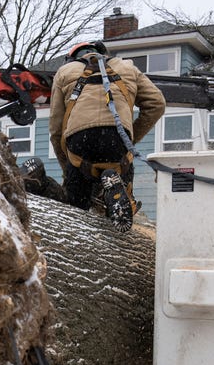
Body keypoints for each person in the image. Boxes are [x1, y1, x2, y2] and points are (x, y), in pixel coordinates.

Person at [48, 40, 166, 231]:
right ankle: (119, 199)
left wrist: (68, 166)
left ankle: (80, 217)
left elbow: (56, 129)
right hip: (117, 141)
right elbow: (157, 103)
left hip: (80, 143)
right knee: (121, 188)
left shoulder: (64, 72)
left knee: (77, 209)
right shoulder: (127, 66)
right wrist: (129, 140)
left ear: (72, 58)